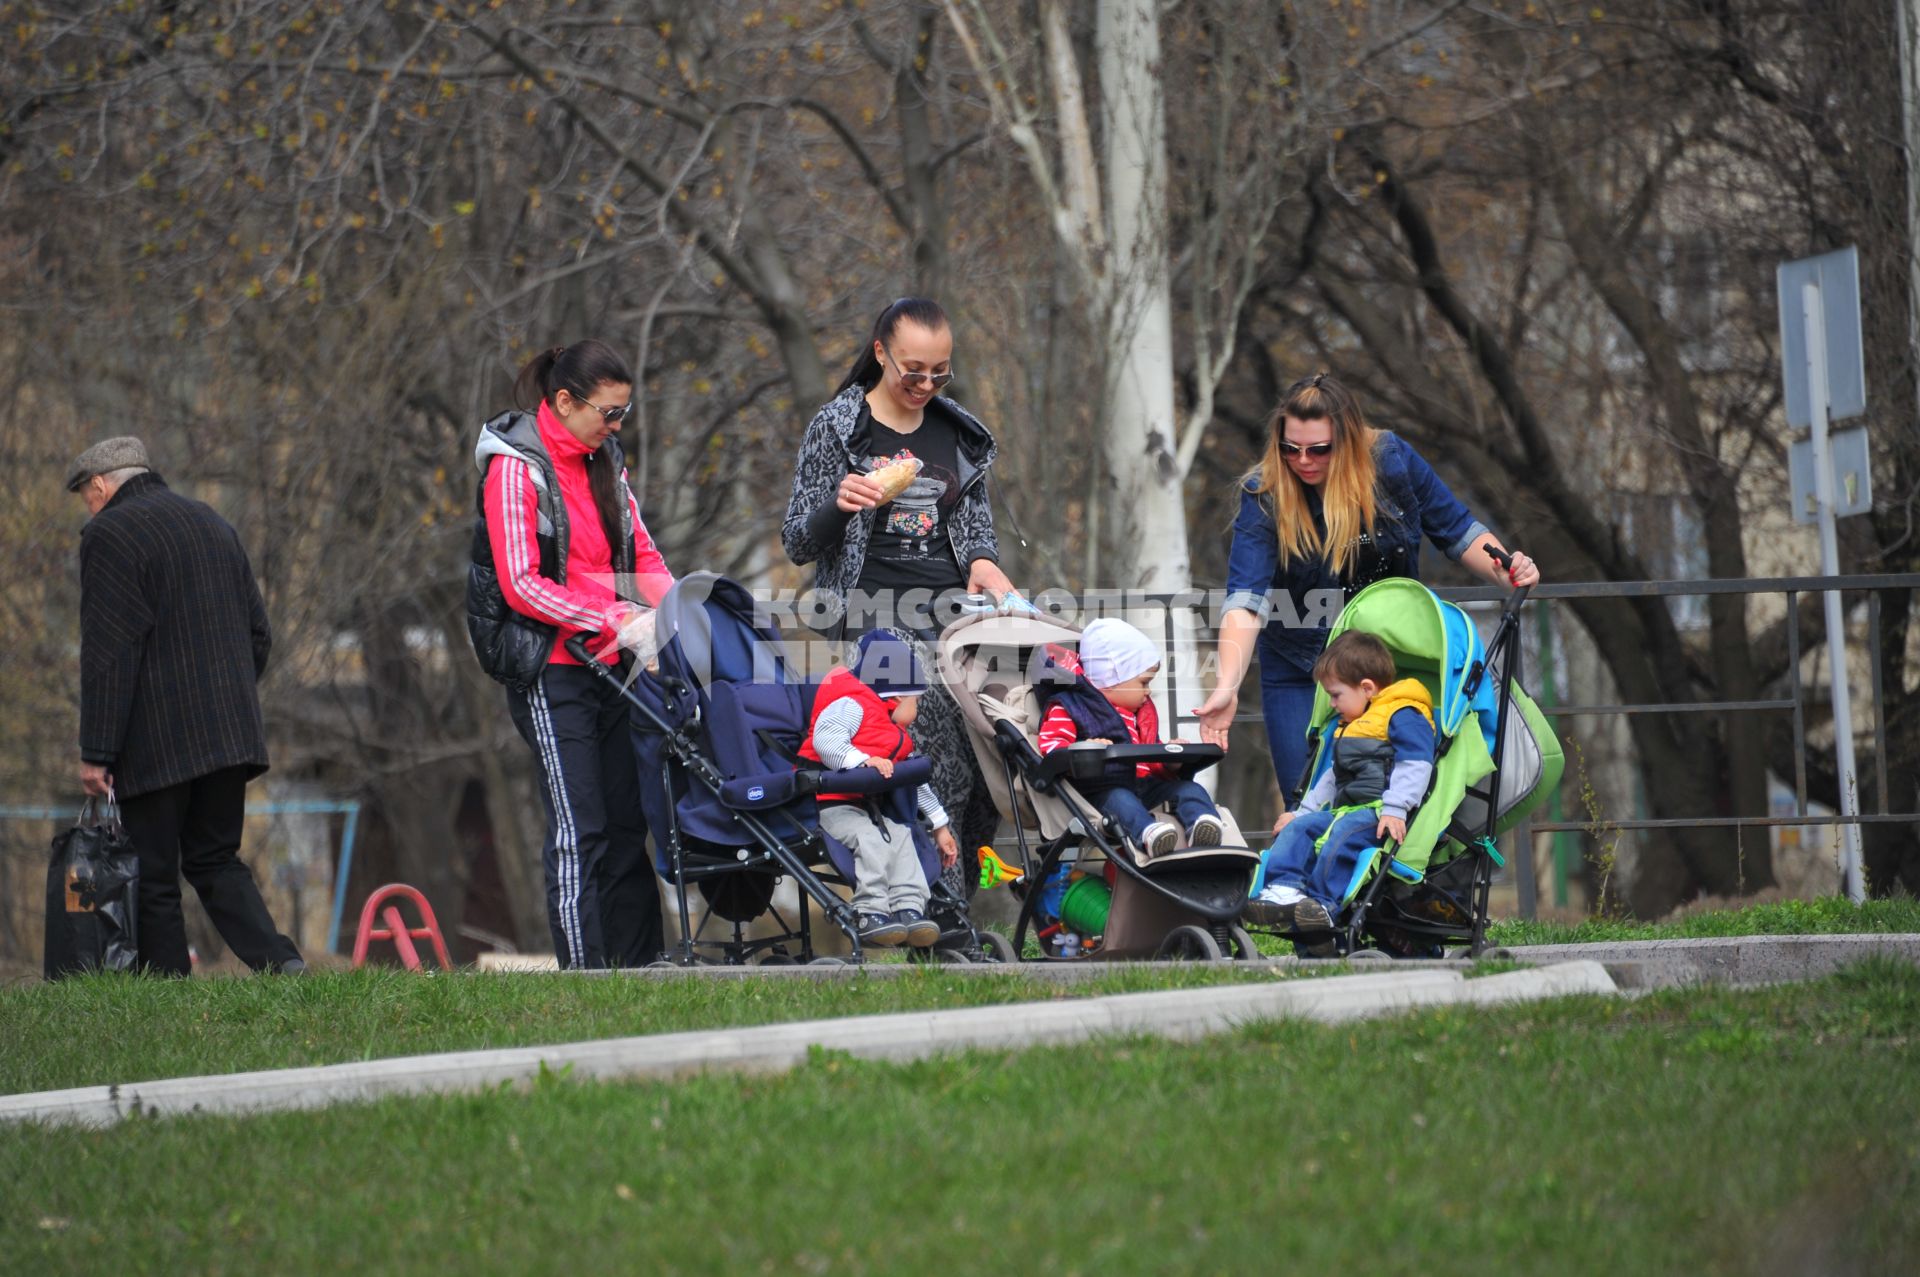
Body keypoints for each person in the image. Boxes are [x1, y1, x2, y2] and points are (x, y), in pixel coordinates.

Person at [1195, 372, 1537, 801]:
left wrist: (1508, 570)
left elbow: (1458, 531)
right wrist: (1226, 685)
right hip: (1300, 666)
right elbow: (1246, 600)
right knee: (1305, 803)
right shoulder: (1264, 493)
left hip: (1386, 662)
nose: (1303, 461)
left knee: (1393, 799)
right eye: (1290, 449)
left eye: (1319, 449)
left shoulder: (1392, 463)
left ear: (1349, 441)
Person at [781, 297, 1010, 888]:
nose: (926, 383)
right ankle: (942, 914)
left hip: (956, 614)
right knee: (940, 761)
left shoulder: (955, 429)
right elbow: (797, 542)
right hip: (876, 616)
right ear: (880, 353)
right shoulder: (837, 426)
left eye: (940, 371)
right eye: (913, 370)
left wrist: (985, 560)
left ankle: (952, 886)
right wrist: (839, 504)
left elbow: (975, 523)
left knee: (994, 760)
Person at [467, 340, 674, 969]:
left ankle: (642, 972)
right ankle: (584, 979)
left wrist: (673, 616)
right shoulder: (515, 469)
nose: (615, 427)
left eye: (623, 415)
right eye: (607, 414)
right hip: (551, 672)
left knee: (623, 827)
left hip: (615, 668)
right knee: (579, 829)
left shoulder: (605, 460)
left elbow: (641, 555)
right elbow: (521, 585)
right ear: (563, 401)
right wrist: (613, 616)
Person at [67, 436, 303, 976]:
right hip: (230, 733)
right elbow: (258, 634)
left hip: (157, 739)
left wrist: (96, 752)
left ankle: (167, 993)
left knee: (153, 874)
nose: (88, 507)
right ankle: (283, 963)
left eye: (86, 496)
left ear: (100, 487)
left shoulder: (109, 535)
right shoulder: (211, 522)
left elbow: (108, 653)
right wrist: (229, 698)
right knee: (216, 858)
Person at [1243, 631, 1436, 950]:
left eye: (1335, 695)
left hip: (1379, 812)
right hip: (1344, 810)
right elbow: (1331, 778)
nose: (1331, 704)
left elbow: (1415, 763)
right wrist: (1300, 812)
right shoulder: (1352, 724)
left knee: (1344, 834)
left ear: (1367, 688)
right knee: (1302, 828)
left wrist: (1396, 807)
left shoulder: (1403, 715)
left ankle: (1321, 904)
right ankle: (1283, 889)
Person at [798, 630, 961, 947]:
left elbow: (913, 781)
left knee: (901, 834)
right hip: (826, 804)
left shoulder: (893, 731)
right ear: (897, 696)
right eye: (918, 701)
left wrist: (940, 825)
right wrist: (863, 760)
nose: (918, 711)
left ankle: (909, 908)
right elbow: (825, 740)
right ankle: (870, 911)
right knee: (870, 839)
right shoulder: (851, 705)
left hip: (864, 806)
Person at [1036, 618, 1225, 859]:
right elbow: (1052, 747)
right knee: (1121, 800)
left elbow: (1148, 759)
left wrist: (1170, 759)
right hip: (1100, 791)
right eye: (1144, 682)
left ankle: (1203, 825)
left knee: (1189, 788)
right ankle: (1150, 835)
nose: (1148, 691)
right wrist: (1085, 749)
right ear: (1112, 677)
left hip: (1145, 786)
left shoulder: (1138, 715)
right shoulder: (1071, 707)